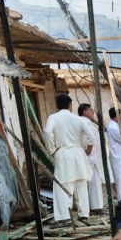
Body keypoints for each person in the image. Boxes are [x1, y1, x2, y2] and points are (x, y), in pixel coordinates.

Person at [43, 94, 93, 225]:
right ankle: (84, 215)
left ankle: (65, 216)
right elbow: (91, 136)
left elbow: (47, 132)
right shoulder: (79, 120)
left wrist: (52, 150)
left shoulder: (53, 117)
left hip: (63, 153)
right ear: (70, 105)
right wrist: (88, 150)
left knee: (63, 185)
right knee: (81, 185)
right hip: (78, 153)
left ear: (57, 105)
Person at [78, 103, 108, 215]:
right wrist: (88, 152)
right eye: (90, 110)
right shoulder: (83, 122)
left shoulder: (88, 122)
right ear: (84, 111)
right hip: (91, 157)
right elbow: (89, 139)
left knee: (95, 183)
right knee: (93, 183)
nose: (93, 111)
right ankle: (96, 206)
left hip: (94, 157)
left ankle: (96, 205)